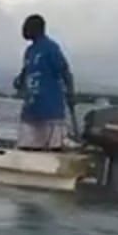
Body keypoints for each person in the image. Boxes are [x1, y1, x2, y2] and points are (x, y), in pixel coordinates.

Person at [16, 13, 76, 150]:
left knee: (52, 149)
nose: (23, 31)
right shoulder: (30, 51)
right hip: (31, 110)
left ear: (36, 28)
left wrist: (71, 93)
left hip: (50, 110)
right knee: (26, 148)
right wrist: (19, 81)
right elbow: (26, 71)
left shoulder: (50, 48)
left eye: (26, 27)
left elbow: (65, 72)